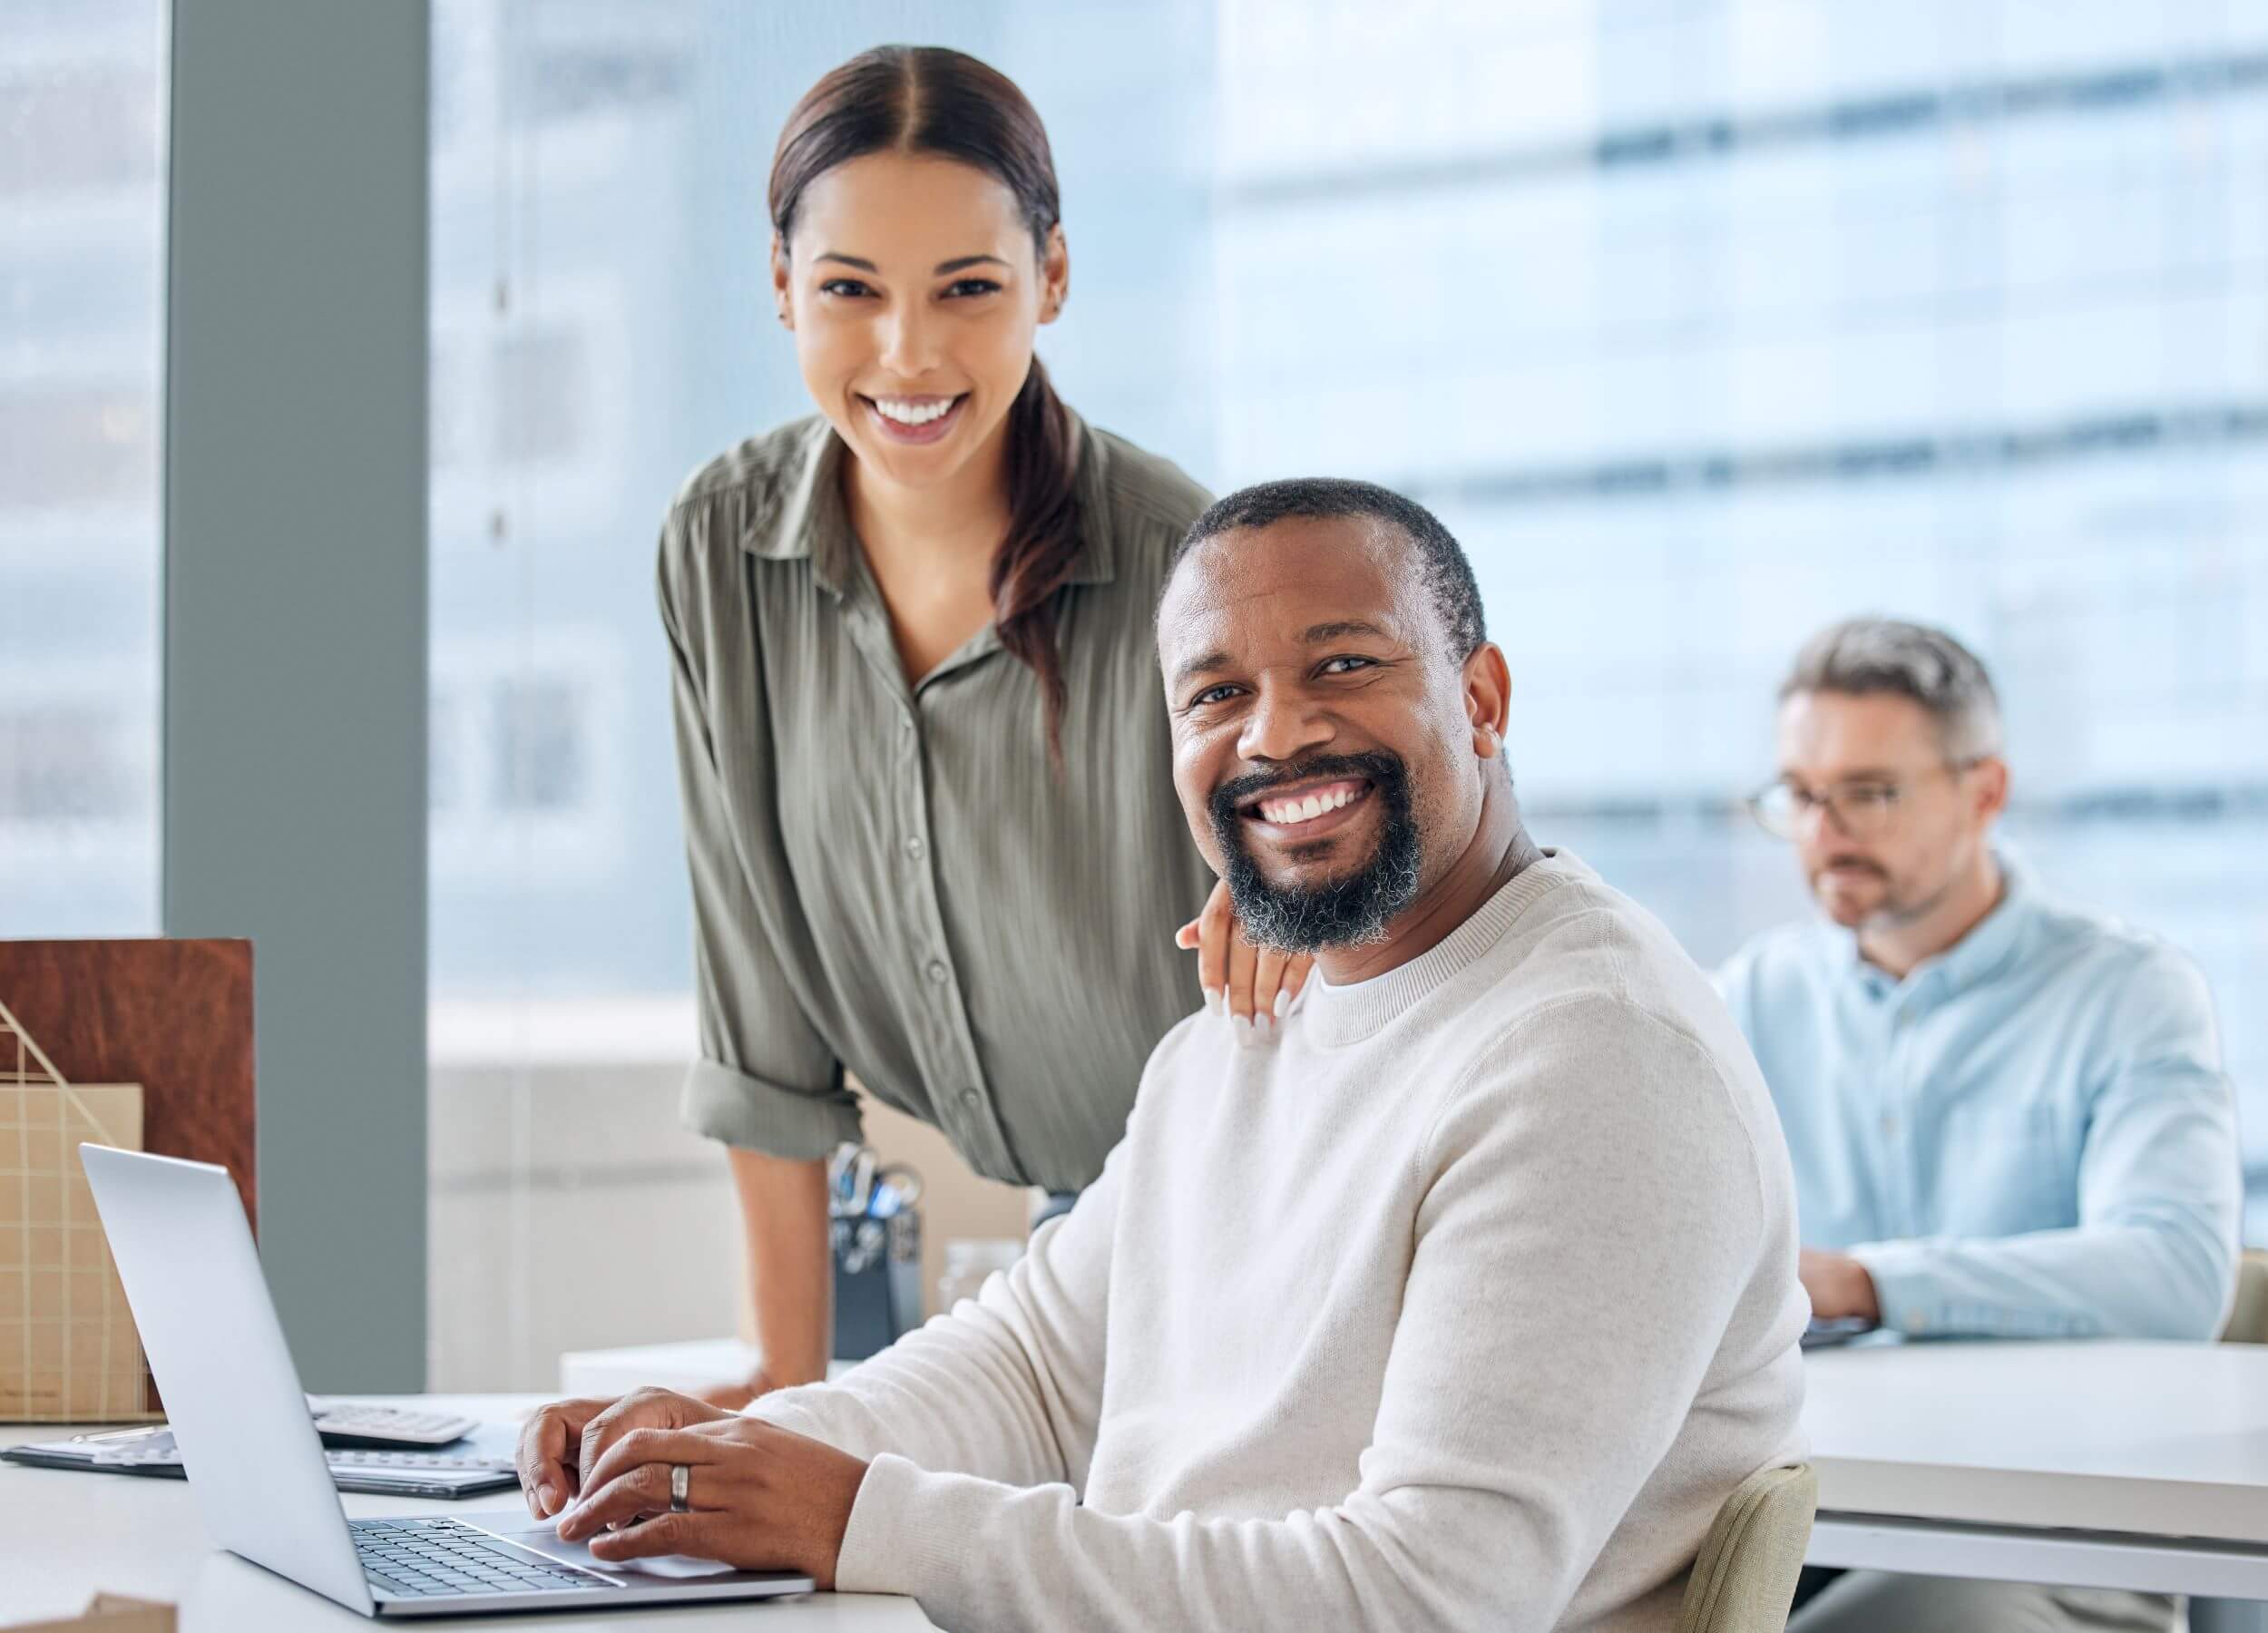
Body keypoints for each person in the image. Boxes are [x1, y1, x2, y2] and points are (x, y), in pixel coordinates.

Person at [518, 479, 1810, 1631]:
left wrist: (854, 1518)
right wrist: (721, 1458)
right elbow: (1031, 1372)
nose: (1275, 734)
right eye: (1216, 694)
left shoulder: (1596, 1059)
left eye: (1344, 665)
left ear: (1480, 701)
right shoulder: (1243, 1032)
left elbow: (1431, 1597)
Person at [663, 46, 1306, 1406]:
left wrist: (1300, 899)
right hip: (1071, 1249)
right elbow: (756, 1006)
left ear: (1051, 281)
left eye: (968, 288)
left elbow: (1371, 885)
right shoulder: (721, 549)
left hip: (1273, 1233)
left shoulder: (1184, 567)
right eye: (849, 290)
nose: (907, 354)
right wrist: (780, 1385)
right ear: (781, 286)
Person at [1716, 618, 2242, 1633]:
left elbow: (2175, 1274)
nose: (1824, 832)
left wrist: (1869, 1282)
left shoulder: (2128, 991)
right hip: (1807, 1495)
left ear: (1984, 792)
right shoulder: (1754, 995)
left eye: (1868, 793)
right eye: (1801, 796)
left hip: (2061, 1523)